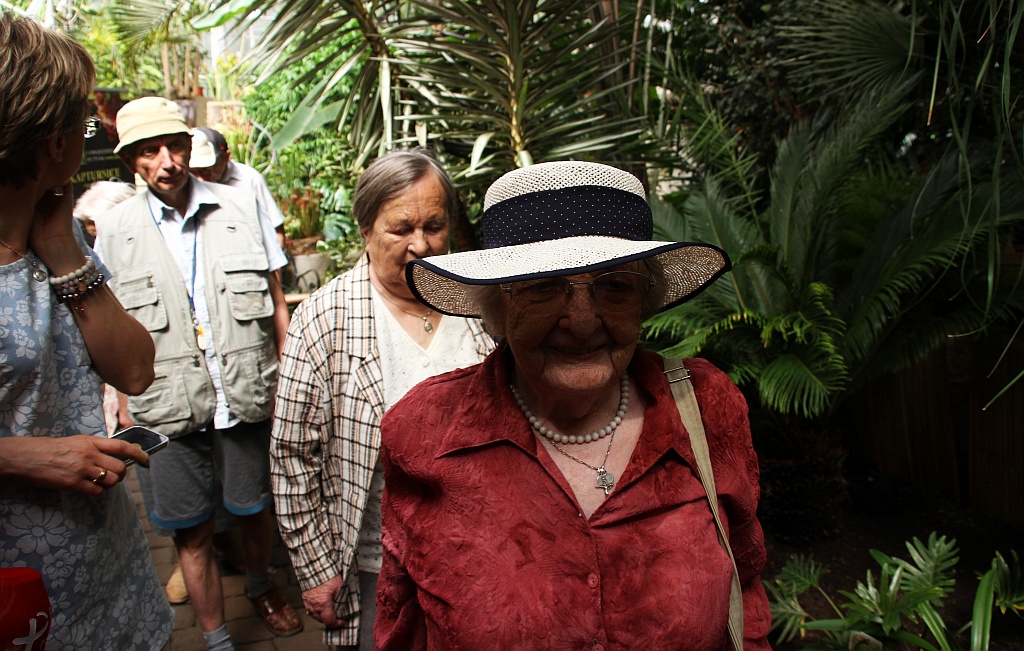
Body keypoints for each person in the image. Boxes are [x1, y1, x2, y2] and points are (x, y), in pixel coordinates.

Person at [376, 161, 772, 649]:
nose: (583, 321)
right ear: (496, 306)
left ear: (644, 299)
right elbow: (402, 629)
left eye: (614, 286)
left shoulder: (708, 406)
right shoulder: (423, 432)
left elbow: (746, 590)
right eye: (543, 286)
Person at [94, 96, 301, 649]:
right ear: (131, 159)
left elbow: (276, 301)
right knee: (192, 528)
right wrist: (117, 397)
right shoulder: (115, 228)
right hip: (165, 400)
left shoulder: (237, 206)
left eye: (175, 146)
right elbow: (108, 322)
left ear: (190, 147)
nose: (166, 162)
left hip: (246, 390)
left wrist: (287, 373)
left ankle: (261, 586)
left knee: (254, 509)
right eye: (148, 151)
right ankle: (215, 638)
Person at [271, 149, 495, 650]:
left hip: (483, 549)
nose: (421, 244)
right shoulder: (325, 320)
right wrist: (315, 570)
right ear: (366, 230)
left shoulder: (479, 301)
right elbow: (291, 456)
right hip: (379, 562)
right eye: (401, 229)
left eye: (435, 225)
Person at [0, 12, 173, 648]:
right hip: (19, 600)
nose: (95, 129)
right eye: (83, 117)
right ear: (52, 143)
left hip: (106, 571)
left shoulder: (58, 233)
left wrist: (65, 255)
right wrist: (24, 455)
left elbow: (134, 370)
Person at [190, 126, 287, 249]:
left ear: (226, 157)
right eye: (194, 171)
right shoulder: (190, 184)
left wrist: (276, 260)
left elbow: (276, 227)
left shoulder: (250, 179)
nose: (200, 178)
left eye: (206, 169)